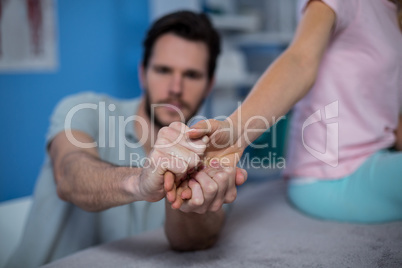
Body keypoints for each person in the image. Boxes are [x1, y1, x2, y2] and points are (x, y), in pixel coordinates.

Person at [6, 11, 246, 268]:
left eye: (191, 75)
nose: (175, 87)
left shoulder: (210, 153)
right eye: (163, 70)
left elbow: (193, 242)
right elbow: (69, 174)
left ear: (209, 85)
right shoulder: (84, 110)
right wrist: (138, 182)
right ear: (143, 73)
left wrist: (190, 195)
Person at [188, 0, 402, 223]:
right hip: (330, 174)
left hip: (378, 157)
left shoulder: (391, 15)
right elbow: (300, 61)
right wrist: (235, 132)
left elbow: (387, 112)